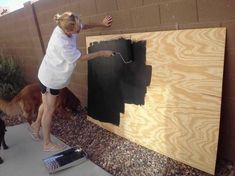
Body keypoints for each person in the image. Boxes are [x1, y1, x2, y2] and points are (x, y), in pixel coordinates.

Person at [29, 11, 113, 152]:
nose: (79, 29)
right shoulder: (62, 44)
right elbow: (81, 58)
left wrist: (102, 24)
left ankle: (36, 125)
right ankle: (47, 144)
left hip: (45, 72)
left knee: (46, 104)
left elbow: (83, 25)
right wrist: (101, 53)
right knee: (49, 109)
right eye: (76, 30)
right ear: (68, 31)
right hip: (51, 78)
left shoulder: (65, 23)